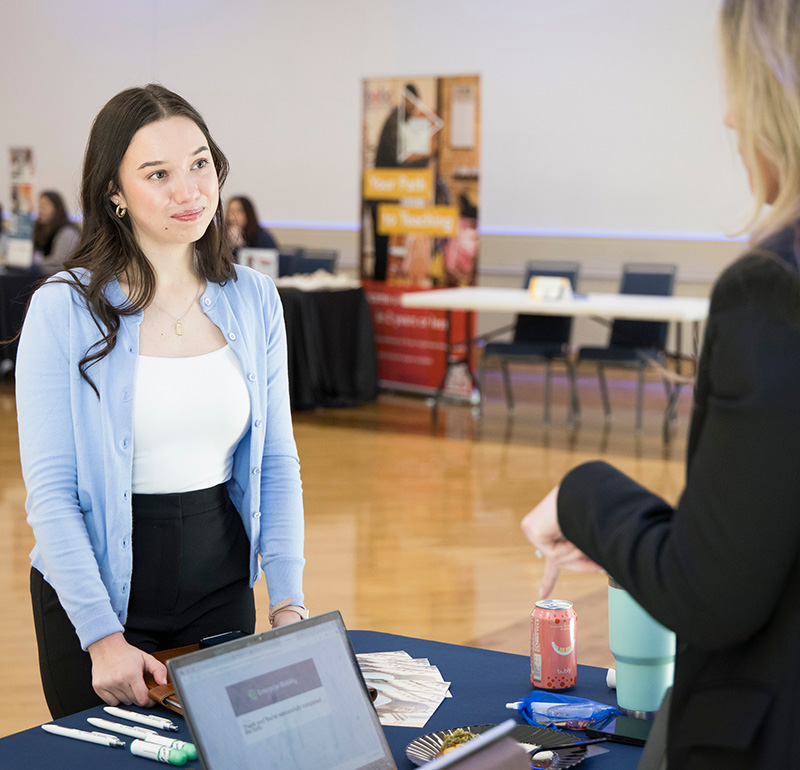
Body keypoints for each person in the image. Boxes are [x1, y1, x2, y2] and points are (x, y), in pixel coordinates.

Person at [521, 1, 800, 766]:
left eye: (740, 87)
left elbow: (713, 591)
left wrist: (584, 496)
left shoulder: (772, 291)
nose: (728, 116)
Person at [16, 84, 307, 720]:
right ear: (113, 192)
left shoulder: (256, 299)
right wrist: (101, 636)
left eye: (200, 163)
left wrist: (288, 604)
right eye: (158, 173)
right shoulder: (62, 309)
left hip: (220, 582)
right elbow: (51, 491)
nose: (189, 191)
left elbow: (278, 462)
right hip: (92, 595)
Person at [32, 190, 80, 275]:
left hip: (60, 276)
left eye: (45, 206)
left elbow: (59, 262)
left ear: (56, 208)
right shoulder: (39, 228)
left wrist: (35, 263)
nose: (41, 210)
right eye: (39, 206)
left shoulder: (67, 232)